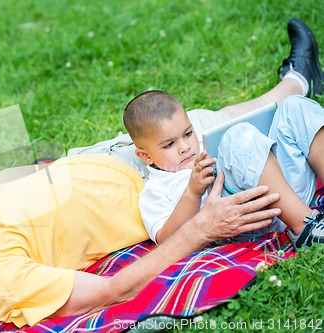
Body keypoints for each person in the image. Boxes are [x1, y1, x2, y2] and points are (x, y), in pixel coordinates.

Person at [0, 18, 316, 328]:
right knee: (233, 135)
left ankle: (292, 87)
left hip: (97, 157)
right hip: (149, 188)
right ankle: (295, 91)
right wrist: (201, 229)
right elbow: (110, 292)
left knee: (204, 119)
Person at [123, 18, 324, 248]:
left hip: (286, 195)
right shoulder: (155, 192)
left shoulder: (206, 146)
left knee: (294, 106)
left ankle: (304, 215)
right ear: (145, 156)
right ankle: (305, 229)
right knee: (237, 137)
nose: (185, 146)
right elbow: (167, 241)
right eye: (169, 145)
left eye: (187, 133)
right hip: (247, 221)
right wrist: (192, 192)